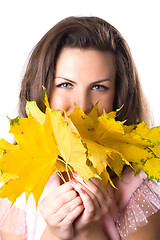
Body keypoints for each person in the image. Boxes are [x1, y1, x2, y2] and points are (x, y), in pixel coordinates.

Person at [0, 16, 160, 240]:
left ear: (118, 95)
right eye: (65, 84)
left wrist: (88, 232)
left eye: (99, 87)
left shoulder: (138, 187)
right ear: (42, 87)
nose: (82, 106)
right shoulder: (19, 184)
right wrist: (55, 234)